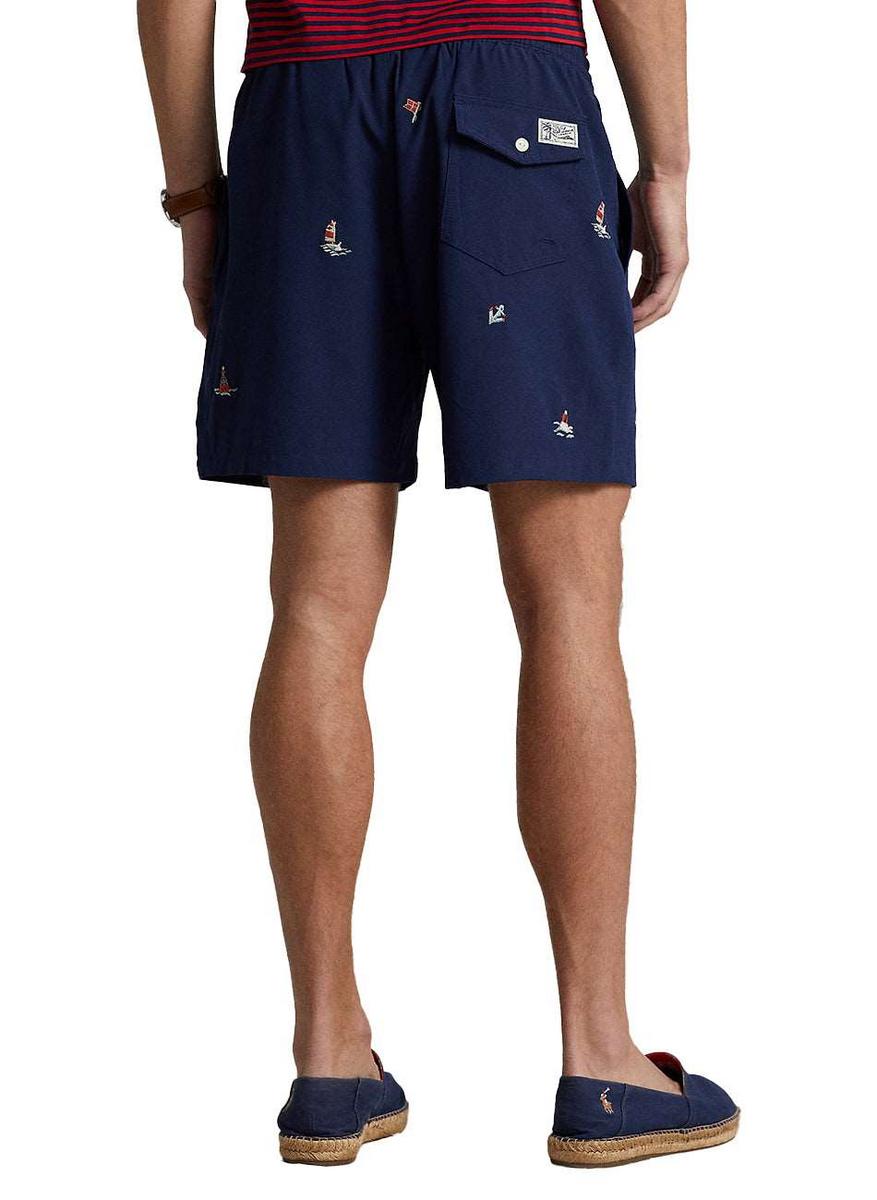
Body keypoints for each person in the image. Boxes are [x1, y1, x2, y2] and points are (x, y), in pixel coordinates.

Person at [139, 0, 739, 1167]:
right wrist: (666, 163)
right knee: (569, 601)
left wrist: (197, 199)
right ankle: (600, 1058)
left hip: (305, 119)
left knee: (316, 607)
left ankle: (328, 1057)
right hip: (517, 100)